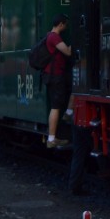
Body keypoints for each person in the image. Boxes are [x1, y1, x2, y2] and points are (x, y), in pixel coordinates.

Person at [44, 13, 73, 148]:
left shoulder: (50, 36)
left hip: (55, 76)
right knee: (55, 107)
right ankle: (51, 139)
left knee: (58, 103)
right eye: (65, 25)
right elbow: (67, 52)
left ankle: (68, 113)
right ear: (61, 24)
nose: (66, 27)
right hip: (55, 76)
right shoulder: (54, 37)